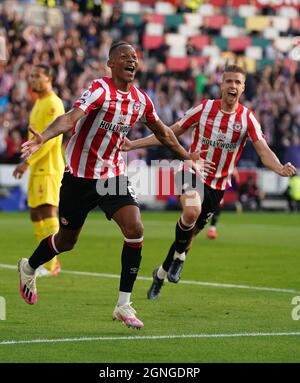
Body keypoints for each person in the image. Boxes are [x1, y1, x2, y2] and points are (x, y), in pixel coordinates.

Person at [17, 42, 211, 330]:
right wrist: (42, 138)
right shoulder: (99, 90)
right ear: (111, 63)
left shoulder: (141, 100)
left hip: (111, 176)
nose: (131, 60)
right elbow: (70, 119)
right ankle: (29, 267)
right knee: (66, 242)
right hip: (79, 177)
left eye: (135, 57)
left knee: (135, 228)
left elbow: (164, 133)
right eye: (125, 56)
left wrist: (187, 156)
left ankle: (123, 304)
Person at [123, 64, 297, 300]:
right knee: (191, 212)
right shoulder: (204, 109)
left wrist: (279, 168)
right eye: (229, 81)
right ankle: (179, 259)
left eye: (237, 82)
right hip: (192, 171)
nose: (233, 86)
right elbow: (169, 132)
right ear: (221, 85)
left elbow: (263, 150)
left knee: (188, 238)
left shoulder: (247, 119)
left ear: (243, 88)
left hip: (218, 186)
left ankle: (161, 274)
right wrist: (133, 144)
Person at [13, 64, 65, 277]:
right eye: (31, 76)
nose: (33, 80)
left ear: (50, 78)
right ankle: (46, 260)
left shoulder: (53, 104)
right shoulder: (39, 103)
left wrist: (27, 162)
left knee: (47, 211)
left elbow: (50, 142)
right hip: (37, 166)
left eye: (38, 76)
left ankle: (51, 265)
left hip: (49, 167)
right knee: (35, 212)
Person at [207, 167, 240, 239]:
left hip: (218, 184)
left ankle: (212, 229)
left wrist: (234, 172)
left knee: (218, 204)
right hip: (205, 180)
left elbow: (236, 178)